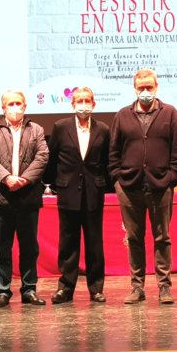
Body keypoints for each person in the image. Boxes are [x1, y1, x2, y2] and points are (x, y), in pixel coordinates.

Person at [109, 69, 177, 305]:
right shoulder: (123, 115)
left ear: (156, 87)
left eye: (149, 87)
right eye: (140, 87)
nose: (145, 91)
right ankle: (137, 287)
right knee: (134, 238)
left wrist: (172, 177)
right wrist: (117, 179)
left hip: (161, 186)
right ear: (134, 88)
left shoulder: (170, 113)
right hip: (129, 187)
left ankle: (164, 287)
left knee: (162, 237)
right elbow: (113, 152)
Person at [0, 90, 50, 307]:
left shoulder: (36, 129)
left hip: (27, 196)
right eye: (10, 104)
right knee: (1, 248)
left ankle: (29, 289)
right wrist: (7, 178)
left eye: (18, 103)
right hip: (0, 196)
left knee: (29, 247)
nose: (15, 107)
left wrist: (25, 179)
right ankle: (3, 290)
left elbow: (42, 156)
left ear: (25, 106)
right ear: (3, 108)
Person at [45, 87, 110, 304]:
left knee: (94, 243)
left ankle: (96, 288)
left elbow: (106, 161)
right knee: (68, 242)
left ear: (94, 104)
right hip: (68, 192)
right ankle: (65, 288)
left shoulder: (103, 129)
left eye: (87, 100)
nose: (83, 104)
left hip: (94, 193)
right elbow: (51, 159)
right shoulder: (61, 127)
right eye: (79, 101)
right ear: (72, 105)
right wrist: (56, 185)